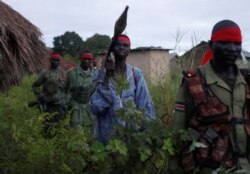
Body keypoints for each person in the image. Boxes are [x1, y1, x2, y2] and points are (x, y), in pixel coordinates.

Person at [174, 20, 250, 173]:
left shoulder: (247, 80)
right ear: (211, 44)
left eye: (237, 43)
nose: (232, 49)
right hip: (211, 168)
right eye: (225, 43)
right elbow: (178, 132)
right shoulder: (194, 82)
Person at [89, 34, 155, 144]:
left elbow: (145, 105)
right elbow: (95, 108)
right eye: (118, 45)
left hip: (130, 136)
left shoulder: (135, 74)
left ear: (129, 49)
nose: (121, 47)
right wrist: (107, 76)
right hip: (106, 137)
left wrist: (145, 133)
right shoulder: (99, 74)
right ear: (113, 49)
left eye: (125, 45)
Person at [32, 52, 66, 136]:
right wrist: (41, 96)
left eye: (58, 61)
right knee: (47, 124)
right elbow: (35, 86)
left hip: (59, 103)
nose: (56, 62)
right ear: (50, 60)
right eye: (54, 60)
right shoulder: (45, 72)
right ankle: (46, 142)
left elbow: (67, 88)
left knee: (60, 124)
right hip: (48, 103)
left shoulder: (63, 73)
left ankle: (58, 143)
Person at [64, 51, 95, 133]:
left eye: (89, 59)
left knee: (90, 136)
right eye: (85, 59)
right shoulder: (71, 73)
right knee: (76, 135)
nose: (87, 61)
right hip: (75, 108)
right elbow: (63, 90)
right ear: (81, 59)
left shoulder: (95, 74)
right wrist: (65, 103)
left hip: (90, 109)